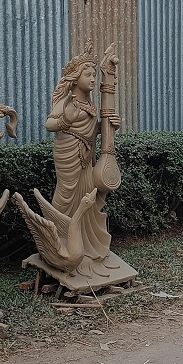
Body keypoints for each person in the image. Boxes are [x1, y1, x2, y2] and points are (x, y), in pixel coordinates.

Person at [44, 42, 121, 274]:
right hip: (68, 153)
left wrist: (110, 126)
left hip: (87, 155)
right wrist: (65, 119)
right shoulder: (65, 101)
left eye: (93, 74)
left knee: (88, 196)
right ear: (75, 77)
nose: (92, 78)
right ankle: (57, 240)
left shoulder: (90, 103)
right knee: (66, 194)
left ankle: (86, 246)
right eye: (87, 74)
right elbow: (50, 124)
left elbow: (91, 129)